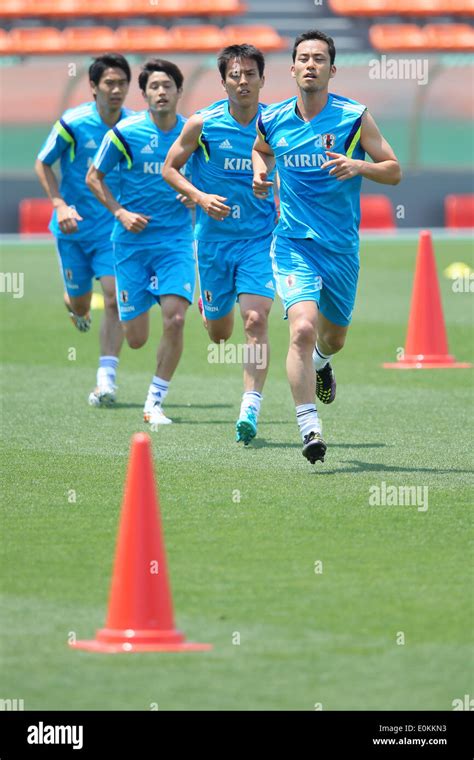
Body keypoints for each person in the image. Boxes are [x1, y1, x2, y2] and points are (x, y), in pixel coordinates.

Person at [252, 30, 401, 464]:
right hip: (294, 243)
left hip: (340, 250)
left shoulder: (354, 117)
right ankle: (309, 427)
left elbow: (393, 170)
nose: (311, 64)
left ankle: (322, 363)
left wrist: (359, 165)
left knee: (333, 338)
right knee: (301, 327)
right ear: (293, 68)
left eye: (320, 58)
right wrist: (260, 173)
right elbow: (261, 149)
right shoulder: (273, 118)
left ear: (332, 70)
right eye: (304, 58)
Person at [162, 44, 277, 445]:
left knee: (255, 321)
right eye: (235, 75)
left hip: (260, 239)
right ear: (224, 80)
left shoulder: (278, 123)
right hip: (211, 243)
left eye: (250, 74)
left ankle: (250, 405)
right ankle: (209, 310)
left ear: (263, 79)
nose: (243, 81)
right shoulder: (202, 124)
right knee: (220, 335)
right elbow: (169, 169)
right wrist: (199, 197)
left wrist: (274, 184)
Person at [86, 58, 195, 427]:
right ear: (145, 93)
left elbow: (209, 174)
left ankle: (154, 403)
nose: (161, 92)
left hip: (176, 241)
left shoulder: (194, 133)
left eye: (167, 86)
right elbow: (94, 178)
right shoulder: (124, 133)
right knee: (135, 339)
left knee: (177, 319)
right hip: (131, 244)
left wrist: (194, 193)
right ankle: (144, 299)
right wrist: (120, 213)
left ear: (179, 91)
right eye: (153, 87)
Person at [35, 53, 132, 406]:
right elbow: (43, 163)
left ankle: (106, 378)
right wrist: (59, 204)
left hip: (112, 230)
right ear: (93, 87)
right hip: (73, 230)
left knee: (113, 296)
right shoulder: (72, 123)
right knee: (79, 303)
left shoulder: (134, 126)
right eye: (109, 83)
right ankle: (75, 307)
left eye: (122, 82)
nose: (116, 89)